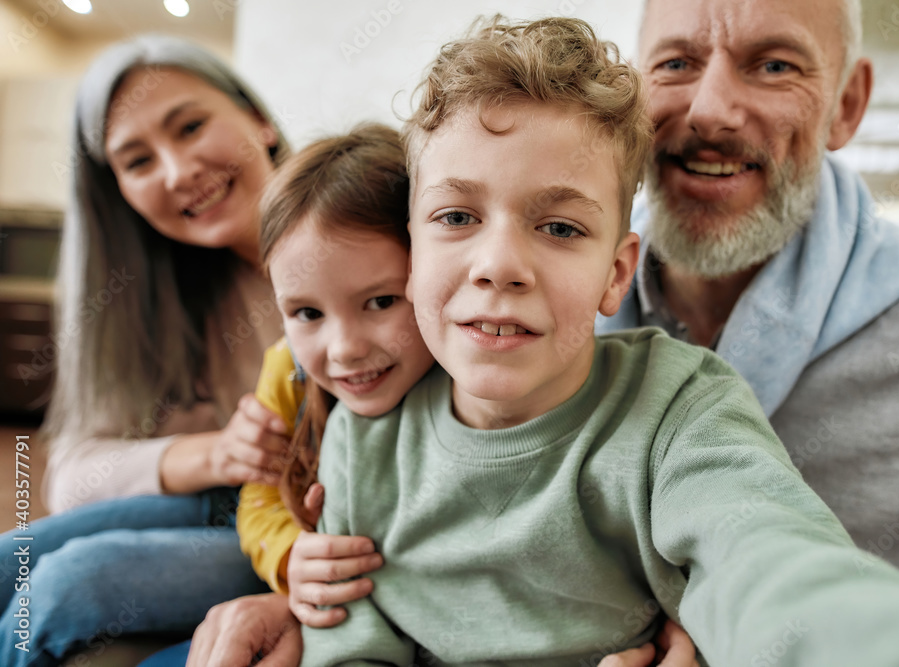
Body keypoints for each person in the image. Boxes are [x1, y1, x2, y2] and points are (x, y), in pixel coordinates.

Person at [297, 15, 899, 666]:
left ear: (615, 268)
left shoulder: (681, 405)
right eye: (456, 215)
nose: (500, 263)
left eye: (775, 64)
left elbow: (770, 566)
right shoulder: (367, 430)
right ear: (411, 250)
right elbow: (349, 630)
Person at [175, 126, 698, 667]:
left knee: (94, 576)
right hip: (279, 551)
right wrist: (290, 555)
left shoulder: (495, 380)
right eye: (307, 313)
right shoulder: (290, 370)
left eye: (381, 301)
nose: (345, 348)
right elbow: (257, 499)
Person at [599, 0, 899, 597]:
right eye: (677, 62)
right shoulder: (554, 314)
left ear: (846, 104)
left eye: (774, 66)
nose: (709, 112)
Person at [0, 35, 332, 666]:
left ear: (259, 119)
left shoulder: (362, 238)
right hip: (234, 505)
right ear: (117, 191)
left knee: (72, 582)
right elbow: (69, 476)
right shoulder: (166, 297)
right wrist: (219, 451)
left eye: (191, 125)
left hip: (305, 526)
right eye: (137, 161)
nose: (180, 173)